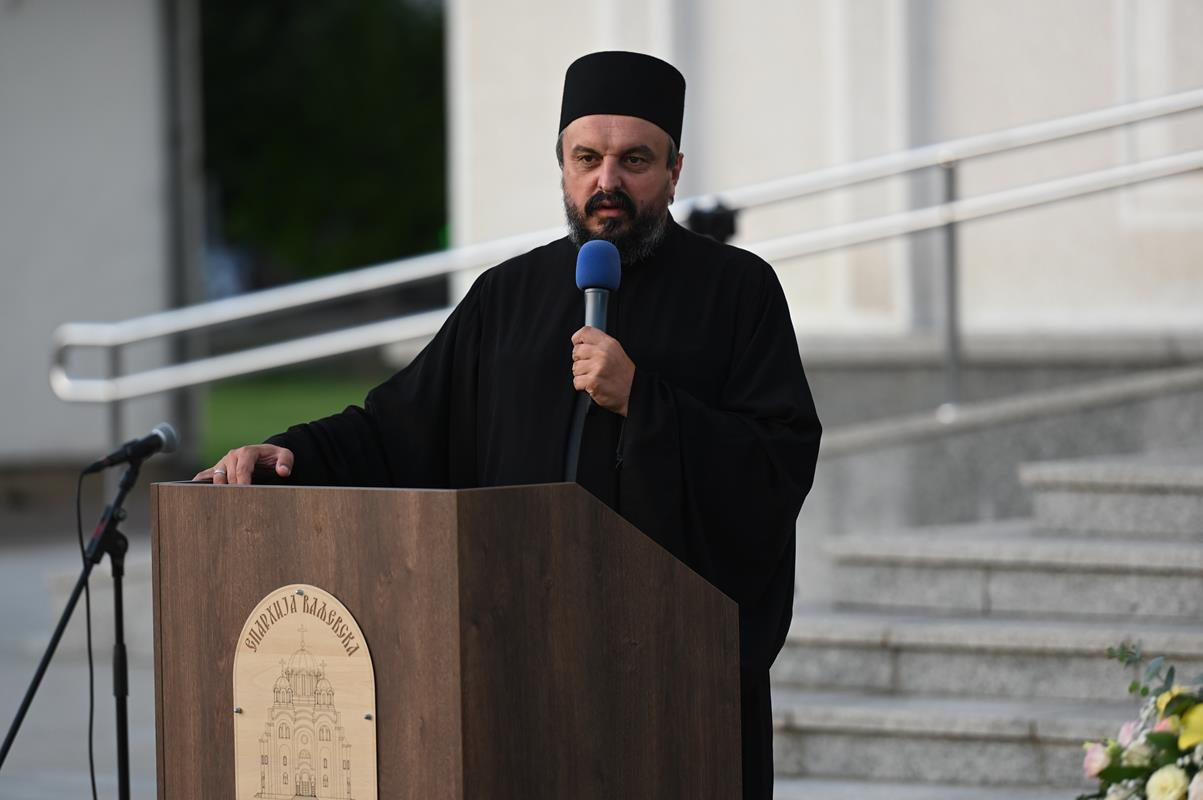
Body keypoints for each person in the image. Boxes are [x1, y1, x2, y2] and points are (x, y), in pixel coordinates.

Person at [195, 50, 822, 800]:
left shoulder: (738, 291)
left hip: (673, 680)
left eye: (634, 160)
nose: (607, 182)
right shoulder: (507, 296)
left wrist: (642, 400)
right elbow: (396, 430)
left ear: (674, 171)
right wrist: (286, 453)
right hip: (523, 665)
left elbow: (778, 460)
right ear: (562, 166)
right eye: (586, 158)